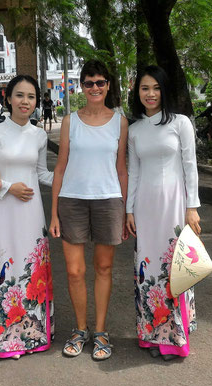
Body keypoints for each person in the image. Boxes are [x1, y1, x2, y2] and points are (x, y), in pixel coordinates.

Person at [49, 60, 128, 361]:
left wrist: (124, 209)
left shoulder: (119, 122)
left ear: (108, 85)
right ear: (80, 87)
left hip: (108, 200)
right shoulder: (71, 121)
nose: (94, 88)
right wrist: (54, 213)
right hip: (72, 200)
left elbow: (122, 169)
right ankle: (80, 329)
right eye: (88, 83)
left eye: (100, 82)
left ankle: (101, 331)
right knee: (74, 270)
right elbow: (60, 168)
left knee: (104, 268)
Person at [0, 75, 54, 360]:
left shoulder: (39, 135)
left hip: (32, 212)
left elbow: (43, 174)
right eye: (19, 95)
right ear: (8, 98)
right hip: (4, 210)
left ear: (37, 101)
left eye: (31, 97)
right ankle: (7, 337)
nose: (25, 102)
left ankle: (34, 333)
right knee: (5, 266)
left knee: (31, 266)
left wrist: (73, 177)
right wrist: (8, 187)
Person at [126, 65, 201, 361]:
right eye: (145, 88)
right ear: (138, 92)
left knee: (174, 268)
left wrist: (191, 207)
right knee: (148, 270)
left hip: (174, 204)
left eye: (156, 88)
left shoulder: (180, 123)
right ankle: (150, 335)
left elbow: (190, 166)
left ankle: (173, 339)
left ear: (164, 90)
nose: (151, 94)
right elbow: (133, 172)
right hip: (145, 207)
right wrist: (129, 210)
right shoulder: (134, 130)